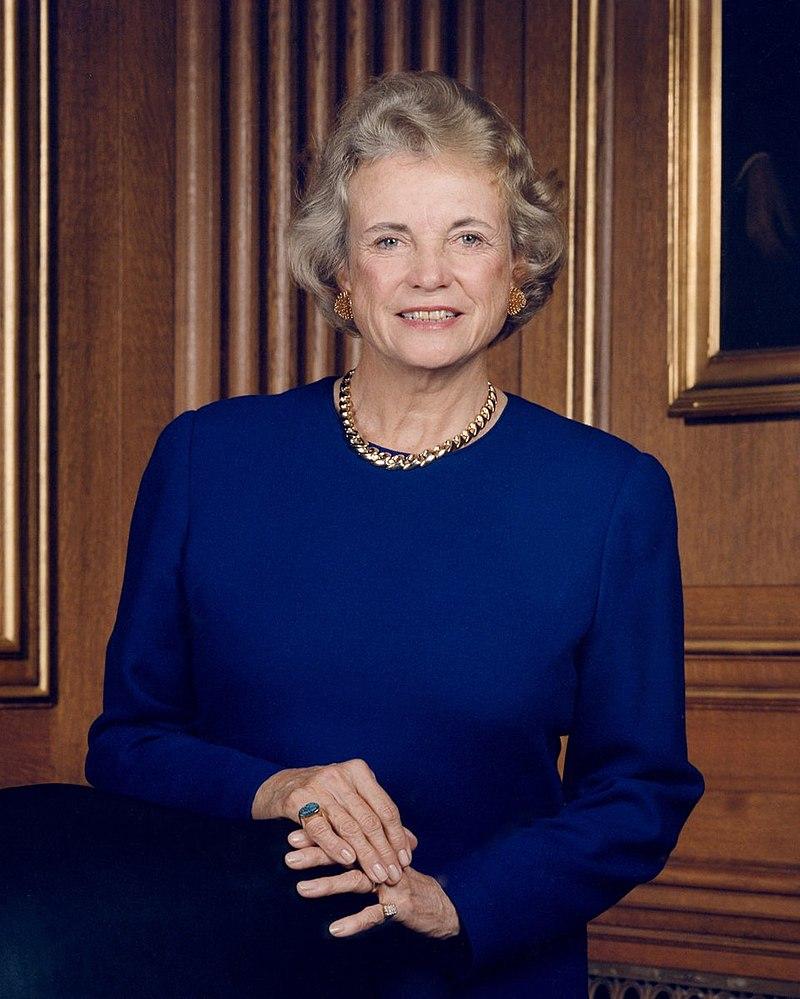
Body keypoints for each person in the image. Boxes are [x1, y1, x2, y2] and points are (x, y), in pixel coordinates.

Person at [78, 70, 703, 996]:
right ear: (340, 271)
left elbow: (639, 791)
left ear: (518, 267)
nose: (429, 275)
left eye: (468, 237)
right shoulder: (208, 459)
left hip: (479, 974)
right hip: (227, 959)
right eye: (389, 239)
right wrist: (279, 790)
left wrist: (460, 901)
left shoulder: (610, 495)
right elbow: (125, 742)